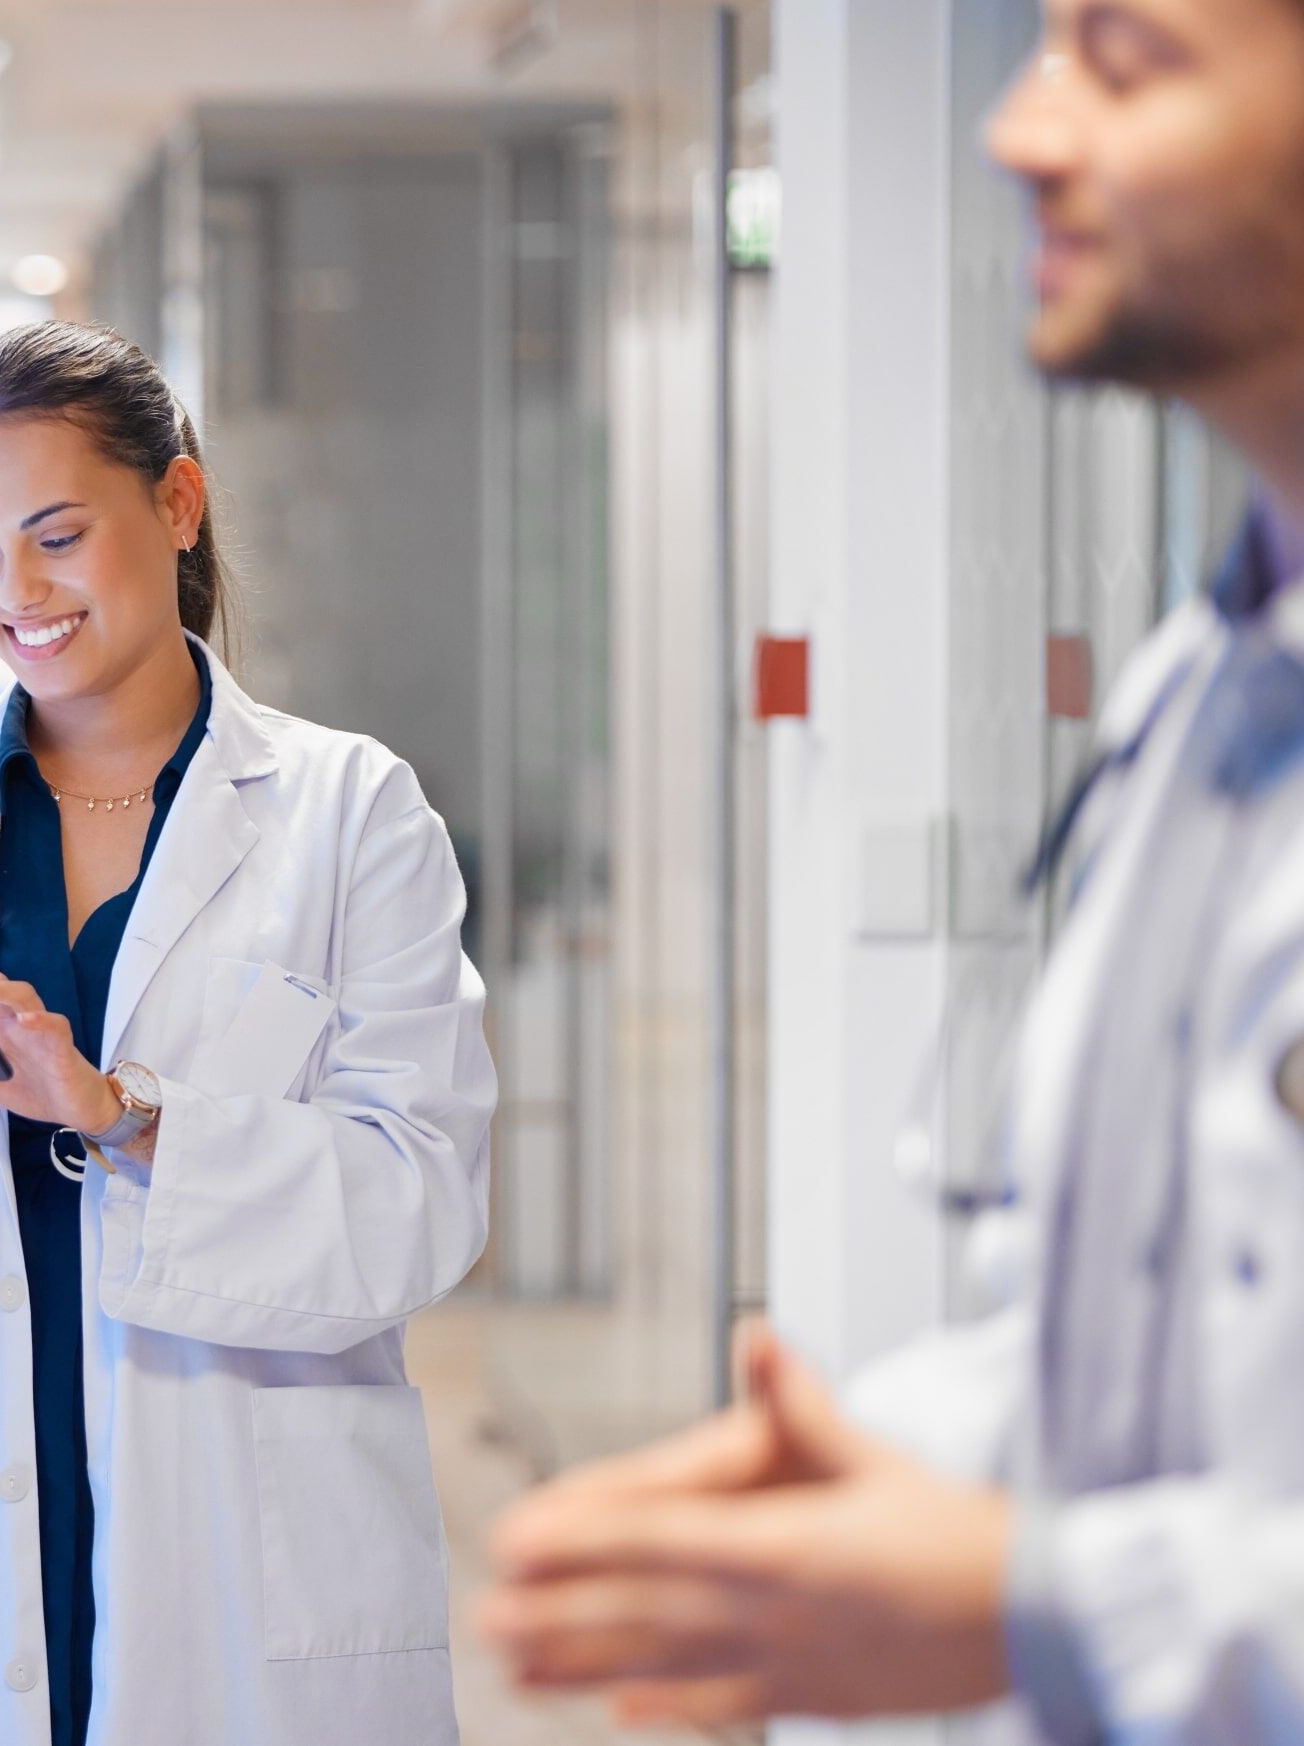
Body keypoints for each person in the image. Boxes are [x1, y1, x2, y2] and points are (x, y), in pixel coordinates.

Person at [479, 0, 1304, 1737]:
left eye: (1126, 57)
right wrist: (871, 1499)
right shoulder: (1206, 685)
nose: (1020, 125)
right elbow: (1166, 1339)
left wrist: (1054, 1607)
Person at [0, 321, 498, 1746]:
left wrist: (127, 1112)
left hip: (245, 1567)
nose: (14, 593)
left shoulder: (349, 815)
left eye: (56, 534)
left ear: (179, 504)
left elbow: (422, 1202)